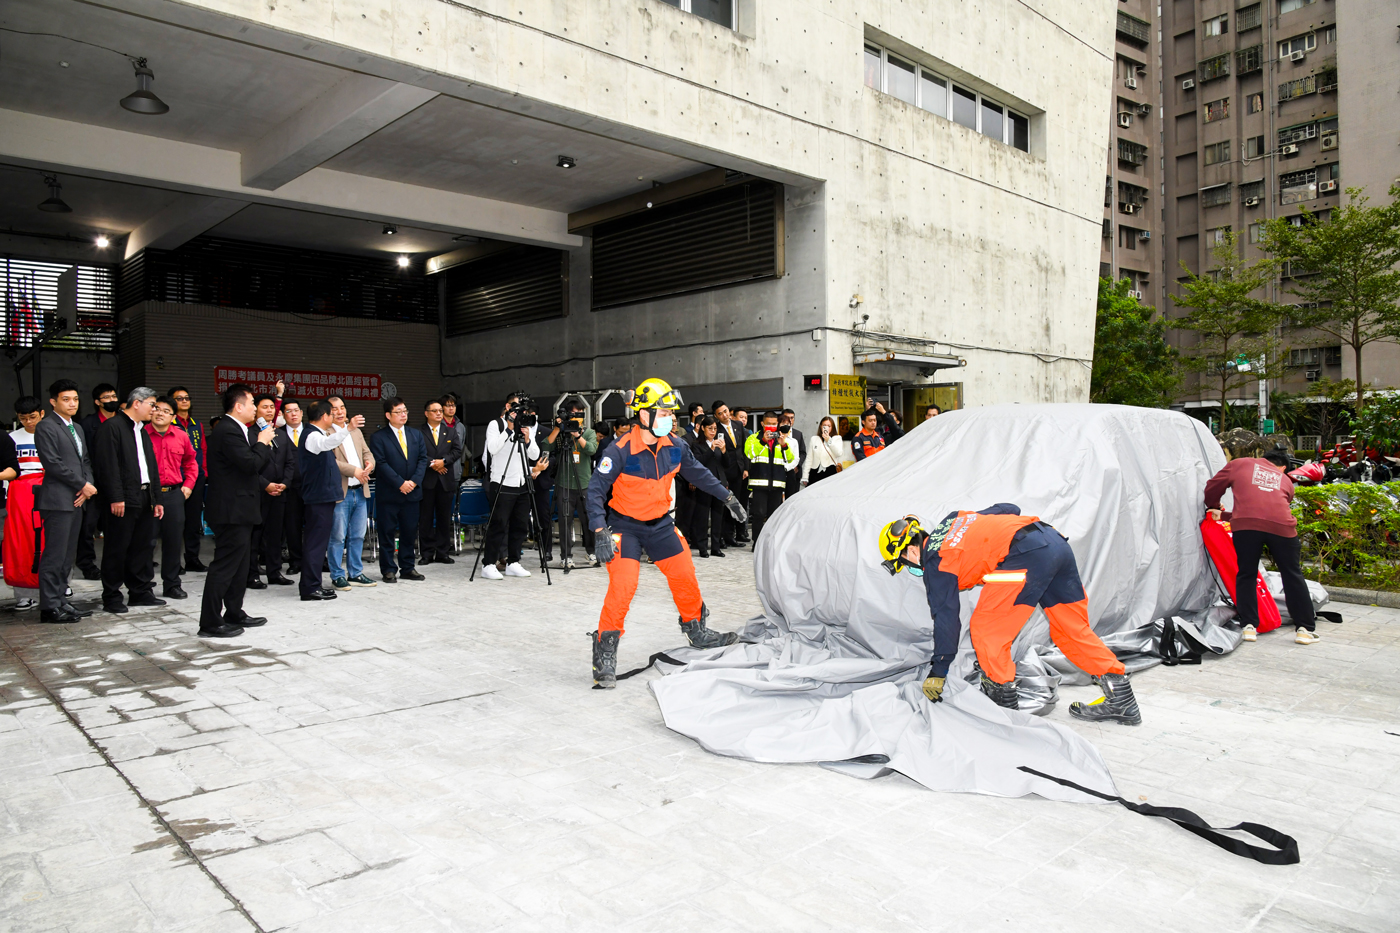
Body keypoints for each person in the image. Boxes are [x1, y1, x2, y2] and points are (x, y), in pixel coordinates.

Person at [878, 506, 1141, 724]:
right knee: (1070, 630)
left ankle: (1003, 706)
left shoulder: (937, 563)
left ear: (910, 551)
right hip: (1053, 542)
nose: (910, 568)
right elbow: (1009, 509)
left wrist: (939, 670)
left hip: (1023, 557)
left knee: (985, 630)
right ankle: (1121, 697)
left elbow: (946, 619)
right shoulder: (953, 519)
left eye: (904, 563)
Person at [586, 378, 748, 688]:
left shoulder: (675, 445)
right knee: (624, 585)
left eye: (671, 414)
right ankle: (605, 649)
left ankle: (696, 629)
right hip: (624, 527)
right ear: (643, 415)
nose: (669, 419)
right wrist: (599, 529)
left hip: (660, 525)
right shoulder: (619, 450)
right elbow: (595, 491)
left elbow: (698, 473)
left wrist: (727, 497)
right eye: (662, 413)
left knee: (684, 572)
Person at [1205, 440, 1318, 645]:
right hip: (1283, 528)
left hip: (1247, 529)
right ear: (1282, 467)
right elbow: (1269, 513)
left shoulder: (1239, 464)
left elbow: (1213, 488)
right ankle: (1304, 629)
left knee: (1246, 573)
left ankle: (1249, 626)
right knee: (1292, 574)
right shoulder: (1285, 481)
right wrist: (1225, 515)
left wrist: (1214, 507)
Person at [200, 383, 275, 638]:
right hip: (230, 510)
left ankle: (234, 611)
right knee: (225, 566)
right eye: (253, 403)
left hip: (242, 508)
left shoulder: (239, 429)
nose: (256, 408)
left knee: (241, 565)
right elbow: (249, 463)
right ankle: (209, 622)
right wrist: (263, 442)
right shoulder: (227, 430)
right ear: (239, 406)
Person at [92, 387, 165, 615]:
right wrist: (116, 497)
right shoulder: (111, 428)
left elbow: (150, 467)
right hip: (123, 498)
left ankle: (140, 592)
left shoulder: (141, 430)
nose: (154, 410)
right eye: (151, 404)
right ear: (137, 403)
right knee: (117, 548)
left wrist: (157, 498)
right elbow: (107, 466)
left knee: (143, 547)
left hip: (144, 496)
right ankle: (112, 596)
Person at [34, 379, 97, 624]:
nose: (72, 404)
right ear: (53, 402)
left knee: (68, 555)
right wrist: (82, 484)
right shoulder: (46, 427)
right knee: (54, 555)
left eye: (75, 399)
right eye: (66, 399)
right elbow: (53, 464)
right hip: (57, 500)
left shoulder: (77, 428)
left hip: (76, 499)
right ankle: (49, 607)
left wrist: (87, 487)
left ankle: (61, 600)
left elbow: (85, 462)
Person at [298, 399, 360, 601]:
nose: (335, 418)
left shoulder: (317, 433)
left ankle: (313, 584)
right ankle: (309, 587)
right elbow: (326, 444)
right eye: (332, 414)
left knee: (319, 542)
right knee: (315, 543)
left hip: (322, 496)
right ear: (324, 416)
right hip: (318, 497)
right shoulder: (312, 436)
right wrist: (348, 429)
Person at [367, 396, 427, 582]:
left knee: (409, 532)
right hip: (390, 493)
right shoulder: (378, 437)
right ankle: (388, 569)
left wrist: (414, 482)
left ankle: (408, 567)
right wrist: (400, 483)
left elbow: (423, 459)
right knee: (387, 533)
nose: (403, 415)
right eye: (398, 412)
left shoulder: (415, 434)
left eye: (405, 411)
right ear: (388, 415)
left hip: (412, 493)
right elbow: (381, 463)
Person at [481, 393, 540, 580]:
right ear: (507, 407)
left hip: (522, 480)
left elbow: (534, 454)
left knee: (520, 525)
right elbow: (492, 449)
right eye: (515, 408)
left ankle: (513, 562)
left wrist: (528, 438)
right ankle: (489, 564)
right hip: (502, 480)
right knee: (498, 524)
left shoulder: (528, 424)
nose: (519, 412)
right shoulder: (495, 425)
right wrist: (508, 429)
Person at [145, 395, 198, 600]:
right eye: (157, 408)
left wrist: (188, 485)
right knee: (146, 541)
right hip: (148, 495)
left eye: (166, 411)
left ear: (174, 416)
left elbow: (191, 462)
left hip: (174, 494)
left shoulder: (181, 435)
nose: (160, 413)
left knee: (173, 541)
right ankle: (144, 585)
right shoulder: (141, 434)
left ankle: (172, 584)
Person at [327, 396, 377, 589]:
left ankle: (355, 572)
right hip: (341, 491)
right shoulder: (327, 433)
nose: (340, 412)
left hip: (360, 490)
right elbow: (331, 462)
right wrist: (353, 470)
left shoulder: (356, 431)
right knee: (338, 536)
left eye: (342, 407)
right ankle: (337, 574)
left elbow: (367, 452)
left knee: (357, 535)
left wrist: (369, 464)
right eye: (334, 409)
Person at [545, 397, 599, 570]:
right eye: (573, 414)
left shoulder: (588, 432)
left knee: (588, 520)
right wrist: (557, 427)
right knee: (564, 520)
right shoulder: (561, 432)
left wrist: (577, 434)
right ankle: (566, 556)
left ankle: (591, 552)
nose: (576, 417)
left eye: (579, 414)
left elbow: (591, 449)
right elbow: (546, 444)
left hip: (584, 483)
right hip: (564, 482)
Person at [74, 382, 119, 580]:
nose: (112, 401)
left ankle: (118, 562)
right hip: (93, 484)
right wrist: (87, 482)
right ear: (97, 402)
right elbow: (83, 457)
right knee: (88, 526)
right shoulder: (87, 425)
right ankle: (86, 564)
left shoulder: (124, 421)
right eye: (107, 398)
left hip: (118, 484)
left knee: (117, 526)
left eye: (114, 396)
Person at [5, 397, 43, 611]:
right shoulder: (12, 438)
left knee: (52, 541)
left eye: (33, 417)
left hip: (49, 492)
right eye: (23, 418)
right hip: (19, 494)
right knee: (21, 542)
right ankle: (24, 593)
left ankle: (58, 586)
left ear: (42, 413)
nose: (29, 422)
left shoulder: (52, 433)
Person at [247, 393, 287, 591]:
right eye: (265, 407)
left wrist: (284, 484)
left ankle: (274, 572)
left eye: (272, 407)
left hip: (280, 492)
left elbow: (289, 462)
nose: (270, 410)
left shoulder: (280, 433)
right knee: (255, 535)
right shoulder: (249, 434)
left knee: (275, 535)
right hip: (258, 491)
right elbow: (249, 467)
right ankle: (252, 574)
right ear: (256, 411)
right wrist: (266, 485)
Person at [742, 411, 798, 545]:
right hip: (759, 483)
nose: (771, 427)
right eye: (768, 424)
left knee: (774, 515)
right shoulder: (753, 438)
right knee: (759, 514)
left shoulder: (782, 438)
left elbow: (789, 458)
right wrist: (762, 442)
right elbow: (749, 454)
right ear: (762, 424)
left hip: (777, 483)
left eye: (774, 424)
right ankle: (757, 542)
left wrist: (784, 444)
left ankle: (771, 542)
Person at [419, 397, 463, 565]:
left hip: (446, 480)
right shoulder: (419, 432)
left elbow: (457, 451)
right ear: (426, 414)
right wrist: (433, 464)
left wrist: (443, 461)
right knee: (426, 518)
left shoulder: (450, 431)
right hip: (427, 481)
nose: (439, 413)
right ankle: (427, 553)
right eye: (435, 411)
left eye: (440, 411)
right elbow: (418, 452)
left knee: (445, 518)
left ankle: (443, 552)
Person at [169, 386, 208, 572]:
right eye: (179, 398)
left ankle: (192, 559)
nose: (184, 401)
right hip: (175, 480)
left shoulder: (196, 424)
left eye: (187, 397)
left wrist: (205, 472)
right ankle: (174, 563)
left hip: (196, 478)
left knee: (193, 522)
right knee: (175, 523)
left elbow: (203, 449)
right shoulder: (168, 423)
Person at [686, 416, 732, 558]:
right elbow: (698, 463)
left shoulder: (720, 443)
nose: (713, 431)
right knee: (703, 516)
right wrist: (711, 449)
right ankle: (702, 547)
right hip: (704, 484)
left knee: (718, 516)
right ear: (703, 428)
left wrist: (724, 451)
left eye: (715, 429)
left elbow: (726, 465)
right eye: (710, 428)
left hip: (719, 484)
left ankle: (716, 547)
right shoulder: (696, 444)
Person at [712, 402, 748, 546]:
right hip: (725, 472)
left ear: (730, 411)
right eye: (720, 413)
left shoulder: (738, 425)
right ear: (716, 416)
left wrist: (746, 468)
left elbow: (744, 448)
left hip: (739, 471)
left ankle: (732, 535)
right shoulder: (716, 429)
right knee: (724, 504)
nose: (724, 415)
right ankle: (723, 536)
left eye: (726, 411)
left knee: (736, 503)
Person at [277, 399, 306, 575]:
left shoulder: (313, 432)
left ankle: (318, 559)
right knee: (292, 526)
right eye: (289, 411)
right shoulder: (278, 434)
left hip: (311, 486)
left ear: (302, 413)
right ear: (283, 415)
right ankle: (296, 561)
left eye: (296, 410)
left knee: (314, 525)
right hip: (289, 487)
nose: (293, 414)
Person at [802, 416, 844, 487]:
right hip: (815, 471)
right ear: (821, 426)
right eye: (824, 425)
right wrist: (805, 476)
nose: (826, 428)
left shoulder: (837, 438)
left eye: (829, 426)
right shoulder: (814, 439)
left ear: (832, 427)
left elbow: (839, 453)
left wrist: (829, 441)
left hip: (830, 471)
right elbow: (809, 459)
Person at [442, 393, 469, 484]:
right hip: (440, 471)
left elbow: (460, 448)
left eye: (453, 405)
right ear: (442, 408)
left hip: (455, 473)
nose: (451, 408)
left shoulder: (461, 427)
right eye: (448, 406)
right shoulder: (437, 425)